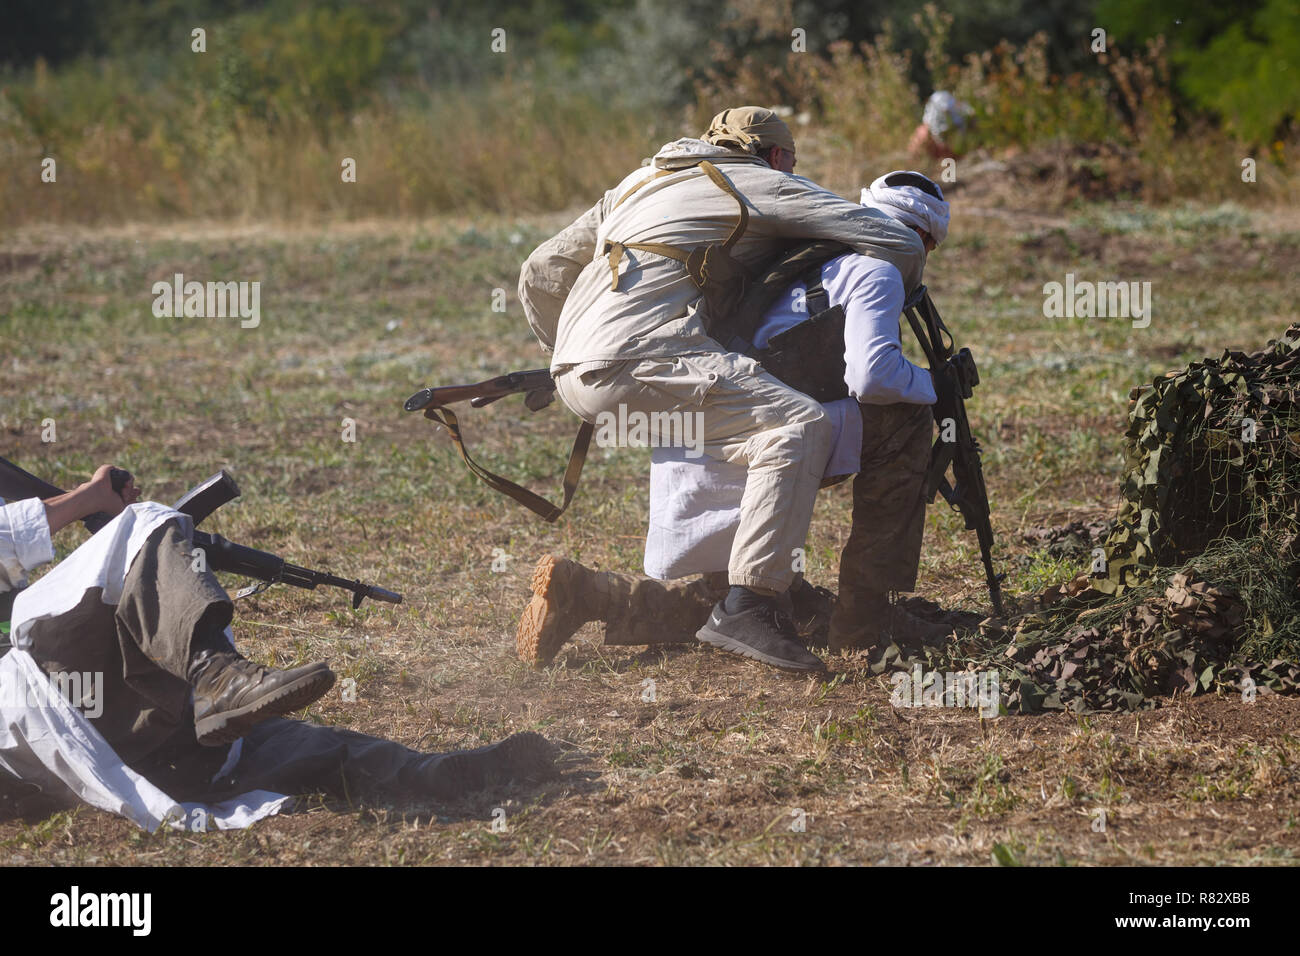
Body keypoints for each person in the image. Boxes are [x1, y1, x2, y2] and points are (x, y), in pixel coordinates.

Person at [517, 107, 927, 674]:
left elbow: (539, 269)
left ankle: (748, 598)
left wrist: (566, 356)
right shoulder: (757, 180)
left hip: (583, 368)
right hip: (649, 357)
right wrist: (904, 288)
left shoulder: (642, 181)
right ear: (778, 157)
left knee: (741, 427)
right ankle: (748, 607)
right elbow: (887, 236)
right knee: (796, 424)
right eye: (789, 162)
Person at [0, 465, 553, 829]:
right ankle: (213, 672)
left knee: (265, 742)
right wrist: (90, 499)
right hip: (46, 703)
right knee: (143, 524)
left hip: (128, 747)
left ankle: (426, 773)